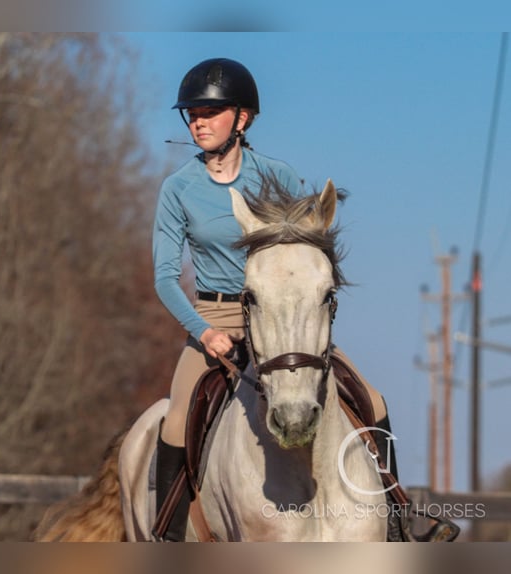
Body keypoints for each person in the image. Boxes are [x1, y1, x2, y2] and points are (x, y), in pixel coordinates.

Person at [152, 57, 398, 542]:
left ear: (242, 119)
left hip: (285, 320)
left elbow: (309, 255)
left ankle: (398, 517)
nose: (198, 121)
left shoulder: (279, 175)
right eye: (192, 113)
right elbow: (163, 277)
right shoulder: (177, 189)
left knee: (372, 398)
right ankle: (167, 533)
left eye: (210, 111)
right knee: (178, 419)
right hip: (214, 315)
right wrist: (204, 331)